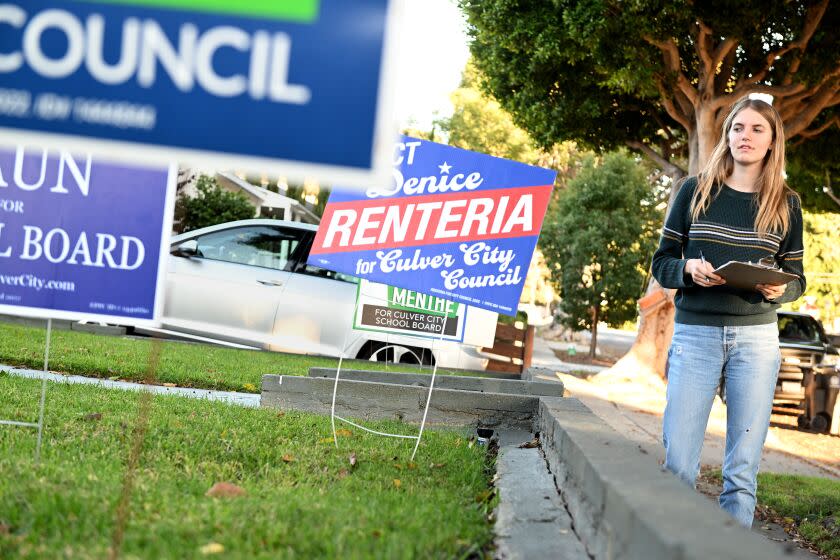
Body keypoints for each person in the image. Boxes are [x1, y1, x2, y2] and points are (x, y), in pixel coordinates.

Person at [651, 97, 806, 528]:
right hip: (695, 337)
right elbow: (662, 262)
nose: (746, 137)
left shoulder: (787, 204)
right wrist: (687, 269)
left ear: (773, 141)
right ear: (727, 135)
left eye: (758, 129)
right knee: (678, 465)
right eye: (738, 128)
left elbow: (797, 278)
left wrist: (781, 287)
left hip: (756, 342)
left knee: (741, 475)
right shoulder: (695, 190)